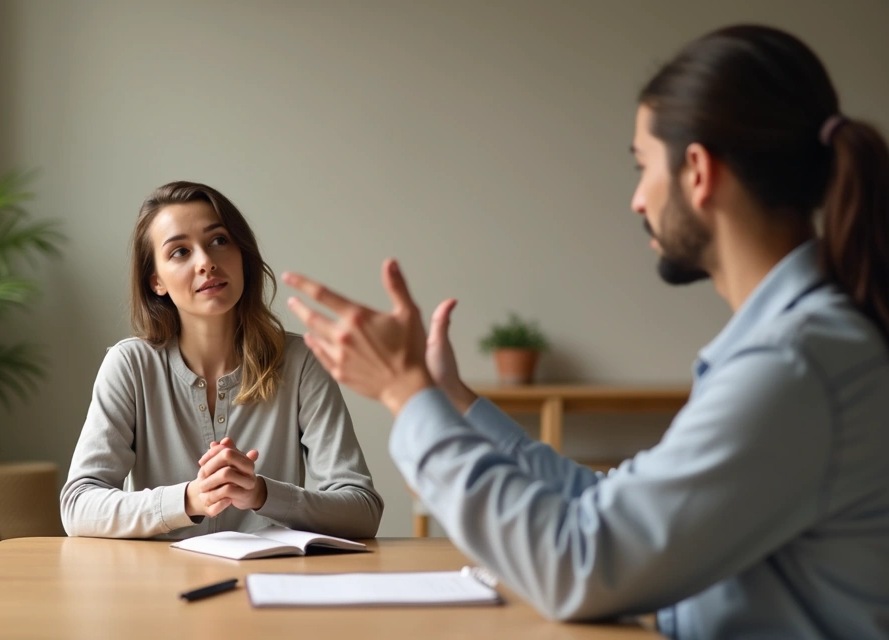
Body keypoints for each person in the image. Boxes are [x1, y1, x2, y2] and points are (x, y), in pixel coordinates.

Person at [283, 25, 889, 640]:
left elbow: (580, 564)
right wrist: (451, 403)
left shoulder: (792, 364)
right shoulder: (795, 347)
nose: (636, 199)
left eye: (642, 165)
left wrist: (404, 396)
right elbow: (608, 510)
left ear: (698, 172)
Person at [61, 181, 382, 540]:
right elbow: (78, 506)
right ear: (156, 282)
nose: (206, 263)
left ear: (242, 254)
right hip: (158, 589)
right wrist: (188, 500)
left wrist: (262, 494)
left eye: (218, 241)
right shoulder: (130, 366)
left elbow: (363, 511)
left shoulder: (302, 362)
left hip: (270, 582)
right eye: (180, 252)